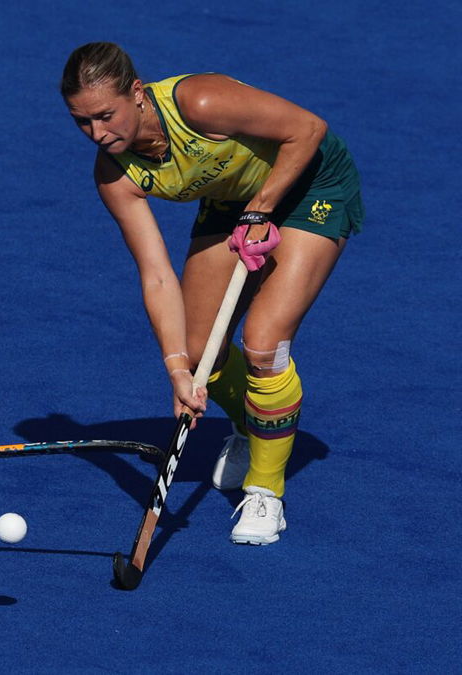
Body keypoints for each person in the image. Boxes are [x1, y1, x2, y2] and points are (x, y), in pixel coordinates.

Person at [59, 43, 363, 545]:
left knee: (264, 343)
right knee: (201, 350)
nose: (97, 134)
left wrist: (262, 208)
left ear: (136, 93)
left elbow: (308, 129)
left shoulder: (197, 103)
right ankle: (254, 426)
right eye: (82, 122)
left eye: (105, 115)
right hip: (233, 200)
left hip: (310, 183)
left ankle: (267, 491)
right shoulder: (114, 176)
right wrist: (177, 368)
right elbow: (156, 275)